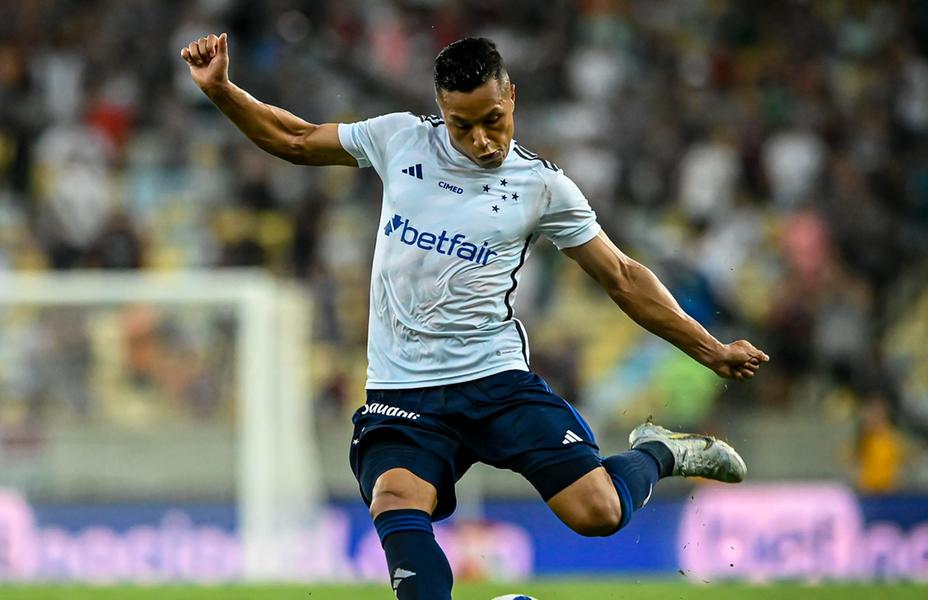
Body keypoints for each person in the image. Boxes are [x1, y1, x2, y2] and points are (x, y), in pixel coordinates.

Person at [181, 34, 769, 599]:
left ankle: (662, 452)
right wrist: (222, 90)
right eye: (463, 126)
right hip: (403, 389)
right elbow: (296, 137)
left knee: (598, 515)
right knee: (395, 499)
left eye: (494, 119)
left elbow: (622, 276)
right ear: (441, 109)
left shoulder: (542, 187)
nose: (483, 139)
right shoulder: (400, 140)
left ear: (510, 96)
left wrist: (709, 348)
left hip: (494, 381)